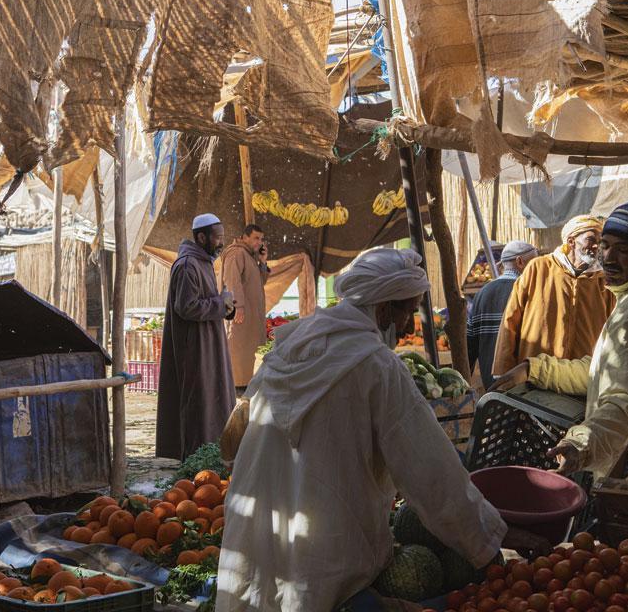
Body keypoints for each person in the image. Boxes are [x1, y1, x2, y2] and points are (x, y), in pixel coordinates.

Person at [218, 248, 536, 612]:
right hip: (328, 554)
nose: (409, 327)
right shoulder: (377, 365)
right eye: (407, 311)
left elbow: (236, 436)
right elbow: (432, 471)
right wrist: (486, 543)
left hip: (257, 544)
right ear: (383, 311)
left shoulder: (291, 346)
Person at [492, 202, 628, 476]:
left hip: (626, 460)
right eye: (605, 246)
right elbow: (605, 369)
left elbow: (627, 402)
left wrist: (581, 443)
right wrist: (534, 369)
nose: (608, 258)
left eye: (623, 250)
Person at [155, 213, 237, 461]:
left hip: (208, 344)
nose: (221, 243)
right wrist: (221, 304)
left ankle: (211, 454)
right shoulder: (187, 265)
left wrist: (226, 306)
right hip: (194, 348)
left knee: (212, 399)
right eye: (217, 238)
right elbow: (187, 307)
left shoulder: (203, 262)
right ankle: (196, 458)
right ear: (201, 237)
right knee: (198, 402)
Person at [491, 215, 616, 377]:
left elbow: (612, 330)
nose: (596, 247)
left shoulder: (602, 281)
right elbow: (510, 320)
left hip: (581, 378)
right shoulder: (538, 268)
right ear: (571, 241)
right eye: (591, 240)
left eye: (600, 242)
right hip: (536, 374)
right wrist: (504, 370)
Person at [467, 241, 537, 383]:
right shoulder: (530, 292)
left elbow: (470, 344)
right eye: (535, 262)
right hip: (522, 385)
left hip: (491, 386)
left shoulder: (482, 293)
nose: (538, 268)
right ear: (520, 262)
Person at [222, 224, 271, 393]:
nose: (260, 242)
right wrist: (238, 307)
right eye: (256, 238)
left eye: (261, 239)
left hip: (251, 315)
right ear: (245, 237)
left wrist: (262, 262)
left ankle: (245, 387)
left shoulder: (250, 257)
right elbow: (231, 281)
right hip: (240, 314)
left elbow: (259, 281)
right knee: (238, 350)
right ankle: (235, 390)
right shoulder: (236, 253)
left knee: (248, 353)